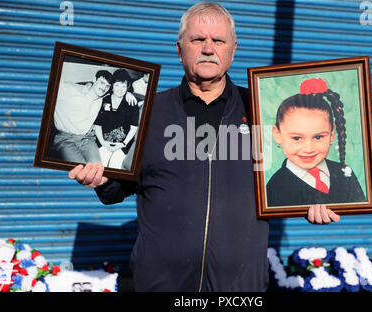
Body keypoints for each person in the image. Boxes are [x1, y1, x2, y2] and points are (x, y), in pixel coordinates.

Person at [68, 2, 340, 292]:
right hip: (160, 285)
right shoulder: (149, 112)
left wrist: (315, 198)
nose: (208, 48)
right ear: (179, 49)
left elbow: (294, 175)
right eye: (197, 39)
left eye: (218, 40)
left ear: (233, 50)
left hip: (239, 289)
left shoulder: (266, 111)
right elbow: (115, 190)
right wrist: (99, 177)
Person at [267, 77, 366, 207]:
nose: (309, 149)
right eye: (297, 138)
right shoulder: (275, 188)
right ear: (277, 134)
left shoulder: (345, 173)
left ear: (331, 134)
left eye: (318, 137)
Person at [52, 70, 113, 164]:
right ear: (94, 79)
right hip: (66, 139)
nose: (104, 88)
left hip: (87, 139)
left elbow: (118, 94)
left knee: (97, 168)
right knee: (81, 170)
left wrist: (128, 94)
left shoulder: (102, 99)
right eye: (101, 82)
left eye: (107, 86)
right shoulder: (71, 90)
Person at [94, 68, 139, 169]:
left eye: (124, 86)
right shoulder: (104, 100)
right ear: (112, 86)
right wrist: (103, 143)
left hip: (123, 144)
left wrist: (123, 144)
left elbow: (133, 128)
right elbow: (97, 125)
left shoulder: (131, 102)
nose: (120, 89)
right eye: (117, 85)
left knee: (115, 165)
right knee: (101, 165)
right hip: (103, 141)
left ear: (127, 87)